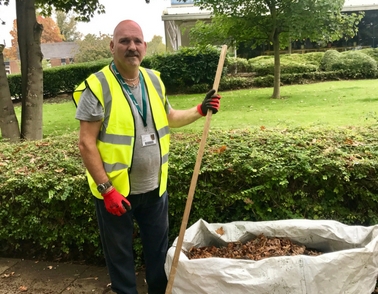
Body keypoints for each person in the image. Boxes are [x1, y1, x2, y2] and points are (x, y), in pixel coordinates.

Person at [72, 20, 221, 294]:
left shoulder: (153, 79)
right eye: (125, 41)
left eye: (137, 41)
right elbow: (85, 143)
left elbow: (169, 117)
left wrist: (200, 109)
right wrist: (106, 190)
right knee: (120, 260)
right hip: (116, 195)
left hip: (155, 189)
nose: (132, 47)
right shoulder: (97, 86)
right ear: (112, 46)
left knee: (158, 256)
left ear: (145, 46)